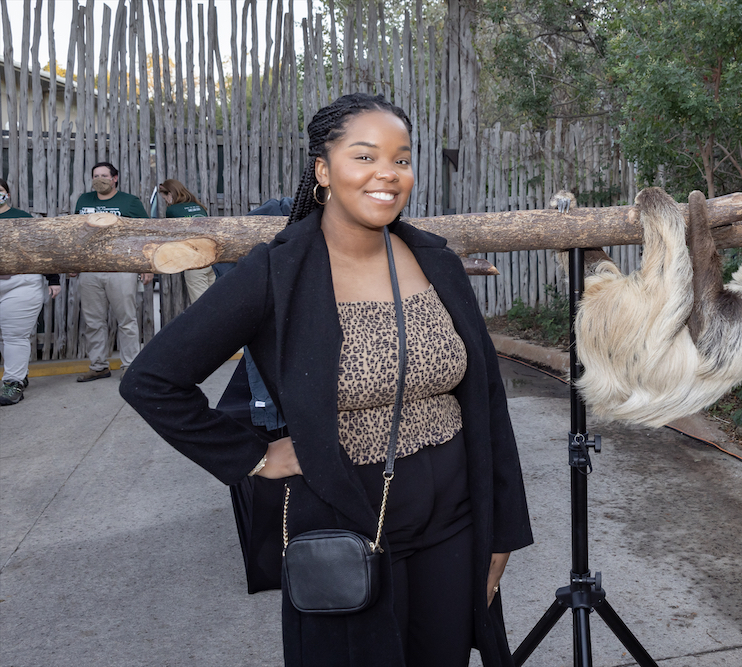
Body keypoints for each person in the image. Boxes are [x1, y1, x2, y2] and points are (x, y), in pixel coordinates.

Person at [120, 93, 533, 666]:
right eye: (364, 157)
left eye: (401, 158)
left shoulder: (434, 260)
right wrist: (254, 458)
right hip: (348, 524)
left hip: (455, 523)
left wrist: (502, 528)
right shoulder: (277, 273)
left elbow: (486, 401)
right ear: (322, 169)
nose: (388, 174)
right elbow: (152, 380)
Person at [72, 162, 153, 381]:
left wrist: (146, 266)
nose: (100, 179)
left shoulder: (130, 202)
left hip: (122, 268)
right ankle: (99, 366)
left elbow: (146, 233)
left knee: (126, 320)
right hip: (90, 269)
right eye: (96, 175)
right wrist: (74, 264)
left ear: (115, 178)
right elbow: (76, 234)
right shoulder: (84, 200)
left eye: (104, 175)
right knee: (93, 321)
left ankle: (130, 366)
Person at [0, 178, 61, 405]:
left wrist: (53, 279)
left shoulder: (22, 218)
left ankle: (13, 383)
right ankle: (19, 373)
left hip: (20, 283)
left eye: (1, 191)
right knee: (5, 336)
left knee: (15, 335)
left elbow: (41, 250)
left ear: (7, 193)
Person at [158, 179, 216, 302]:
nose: (166, 202)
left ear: (170, 194)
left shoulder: (172, 210)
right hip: (211, 259)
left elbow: (171, 235)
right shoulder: (199, 207)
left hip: (193, 261)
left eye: (165, 198)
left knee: (200, 305)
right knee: (214, 300)